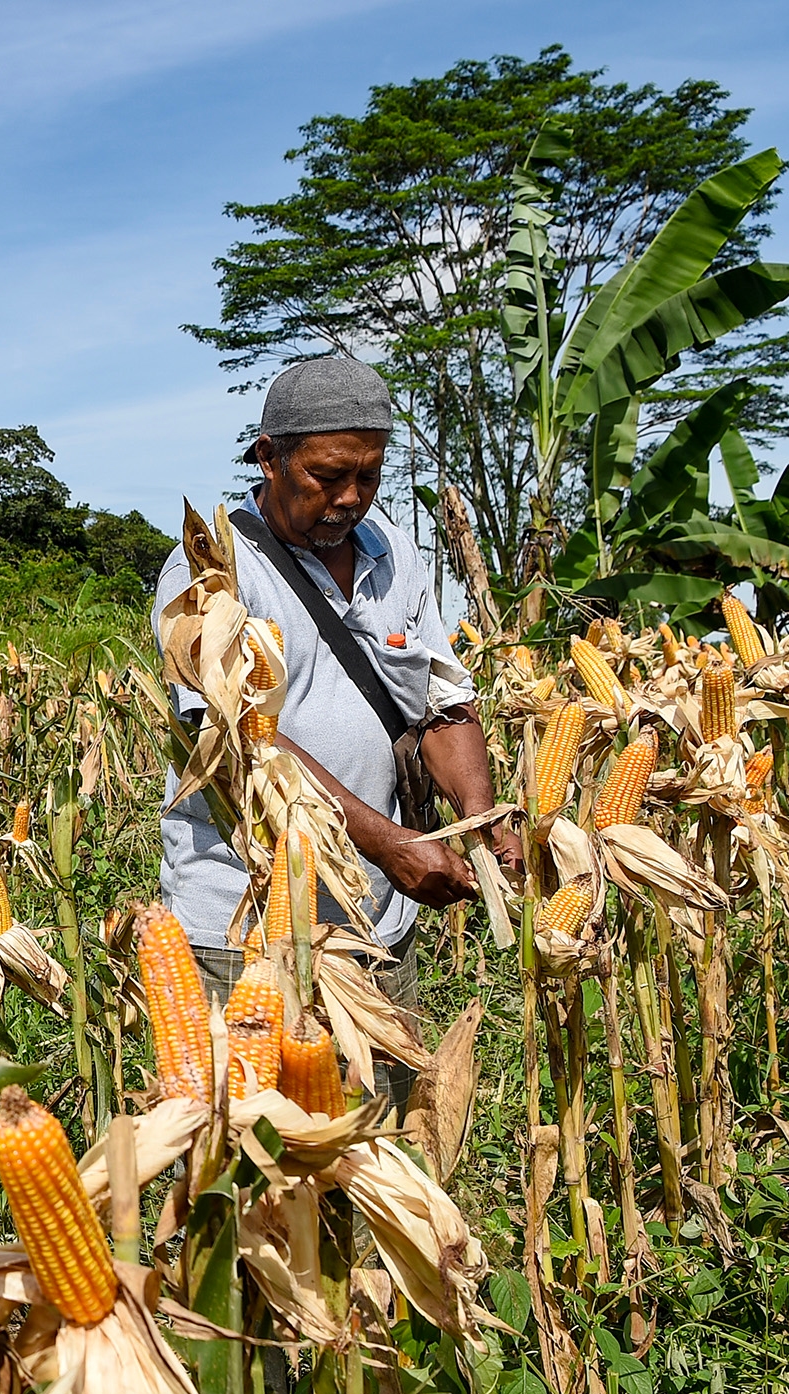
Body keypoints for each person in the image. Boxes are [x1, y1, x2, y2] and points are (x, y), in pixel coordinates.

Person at [153, 355, 520, 1104]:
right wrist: (387, 843)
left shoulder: (393, 552)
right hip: (246, 932)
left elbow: (441, 700)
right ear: (269, 458)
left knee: (373, 1140)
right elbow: (243, 739)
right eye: (327, 476)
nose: (350, 497)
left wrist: (480, 819)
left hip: (376, 925)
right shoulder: (211, 569)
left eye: (369, 476)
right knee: (255, 1150)